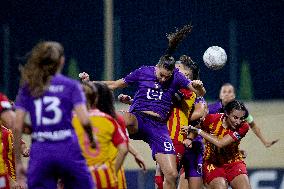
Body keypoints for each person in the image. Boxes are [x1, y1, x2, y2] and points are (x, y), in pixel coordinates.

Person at [81, 54, 205, 189]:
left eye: (167, 77)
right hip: (139, 118)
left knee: (171, 174)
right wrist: (90, 83)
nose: (163, 79)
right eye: (161, 75)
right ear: (157, 67)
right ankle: (91, 133)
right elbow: (115, 84)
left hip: (158, 127)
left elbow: (201, 93)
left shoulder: (177, 76)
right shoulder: (143, 71)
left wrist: (199, 87)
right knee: (122, 117)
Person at [14, 41, 96, 189]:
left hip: (40, 152)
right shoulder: (71, 86)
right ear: (61, 61)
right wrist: (92, 139)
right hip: (68, 149)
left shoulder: (29, 87)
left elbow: (17, 125)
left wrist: (18, 162)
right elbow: (84, 120)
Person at [118, 55, 205, 189]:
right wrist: (131, 101)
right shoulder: (170, 86)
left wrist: (189, 124)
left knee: (171, 175)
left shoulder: (188, 92)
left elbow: (198, 113)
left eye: (180, 71)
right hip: (162, 133)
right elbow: (157, 104)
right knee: (163, 172)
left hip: (177, 137)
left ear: (188, 77)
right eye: (175, 69)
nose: (176, 72)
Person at [73, 81, 128, 189]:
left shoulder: (71, 119)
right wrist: (113, 171)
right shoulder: (109, 119)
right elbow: (124, 147)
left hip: (79, 175)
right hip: (105, 175)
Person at [188, 100, 252, 189]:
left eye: (241, 118)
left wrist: (199, 132)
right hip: (213, 163)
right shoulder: (211, 119)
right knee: (221, 187)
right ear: (227, 114)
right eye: (235, 117)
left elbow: (221, 143)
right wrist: (189, 138)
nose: (238, 122)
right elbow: (197, 126)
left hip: (234, 163)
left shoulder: (244, 126)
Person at [208, 83, 279, 148]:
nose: (226, 94)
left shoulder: (241, 110)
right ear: (220, 95)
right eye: (224, 92)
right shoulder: (211, 109)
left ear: (234, 95)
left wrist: (265, 142)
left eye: (229, 92)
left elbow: (252, 125)